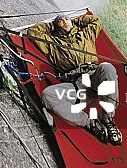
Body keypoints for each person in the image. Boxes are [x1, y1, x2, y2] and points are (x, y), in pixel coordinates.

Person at [28, 12, 122, 145]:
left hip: (94, 77)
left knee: (108, 67)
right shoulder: (52, 44)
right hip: (76, 85)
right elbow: (33, 32)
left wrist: (76, 21)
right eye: (61, 21)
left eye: (67, 19)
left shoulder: (85, 34)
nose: (65, 21)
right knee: (48, 95)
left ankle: (108, 119)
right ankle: (90, 123)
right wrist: (51, 26)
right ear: (56, 26)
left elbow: (96, 21)